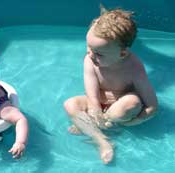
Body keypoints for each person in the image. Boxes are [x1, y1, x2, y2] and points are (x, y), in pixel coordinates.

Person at [64, 7, 158, 164]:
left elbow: (152, 106)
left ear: (122, 53)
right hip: (99, 102)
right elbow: (92, 95)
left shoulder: (134, 68)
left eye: (99, 53)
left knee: (131, 103)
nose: (90, 55)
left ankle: (91, 126)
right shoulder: (90, 60)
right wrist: (96, 113)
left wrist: (135, 121)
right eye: (89, 47)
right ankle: (102, 140)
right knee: (70, 104)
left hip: (121, 105)